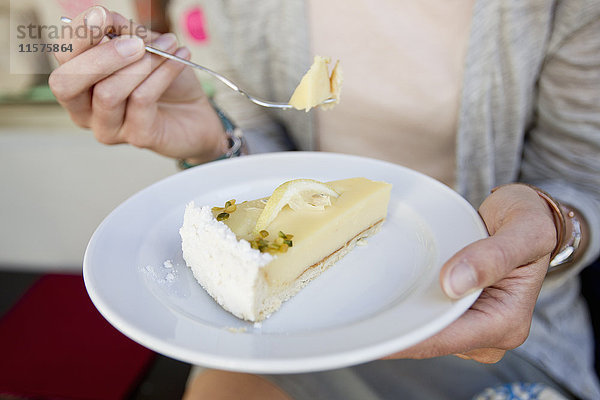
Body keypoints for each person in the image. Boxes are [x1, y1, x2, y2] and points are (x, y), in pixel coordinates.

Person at [48, 1, 600, 399]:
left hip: (510, 333)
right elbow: (261, 137)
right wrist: (215, 140)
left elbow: (582, 180)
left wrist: (554, 228)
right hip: (281, 335)